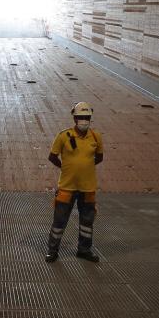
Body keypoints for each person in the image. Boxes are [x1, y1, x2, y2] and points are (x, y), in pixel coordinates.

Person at [45, 101, 103, 263]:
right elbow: (52, 156)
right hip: (67, 186)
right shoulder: (63, 136)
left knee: (87, 222)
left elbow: (99, 157)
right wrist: (66, 168)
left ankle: (84, 250)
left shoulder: (96, 136)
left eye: (86, 117)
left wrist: (84, 168)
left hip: (88, 187)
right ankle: (52, 250)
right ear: (75, 118)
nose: (84, 120)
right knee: (59, 220)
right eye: (80, 117)